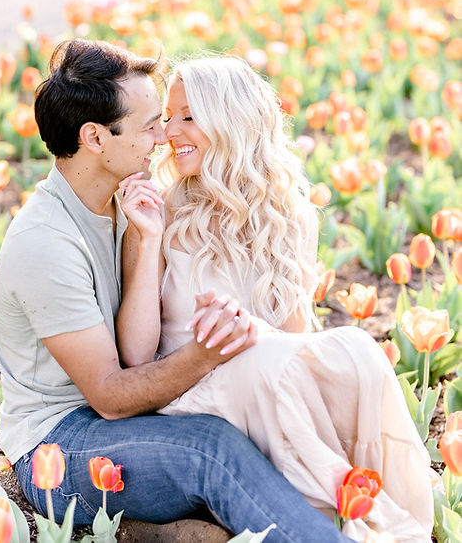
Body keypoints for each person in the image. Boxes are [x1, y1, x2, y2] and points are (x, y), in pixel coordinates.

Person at [0, 38, 351, 541]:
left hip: (144, 415)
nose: (163, 137)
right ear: (96, 138)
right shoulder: (44, 243)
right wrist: (208, 353)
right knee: (210, 449)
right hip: (62, 438)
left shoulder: (132, 201)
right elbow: (112, 399)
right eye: (149, 125)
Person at [135, 54, 432, 541]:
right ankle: (343, 507)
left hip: (267, 376)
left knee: (356, 347)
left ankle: (368, 503)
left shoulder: (286, 212)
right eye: (169, 118)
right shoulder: (160, 210)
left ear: (231, 121)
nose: (170, 132)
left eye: (188, 116)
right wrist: (147, 243)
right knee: (270, 364)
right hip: (192, 391)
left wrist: (257, 334)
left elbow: (296, 337)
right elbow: (137, 354)